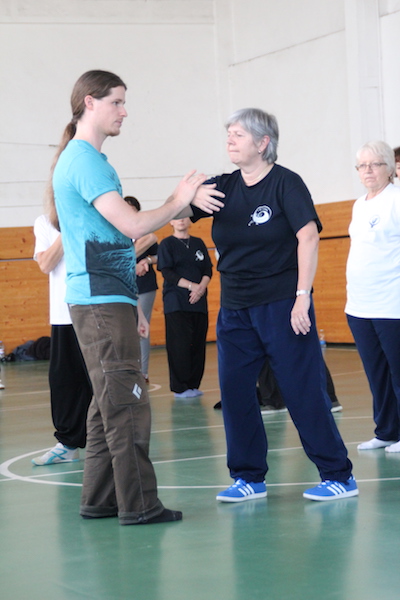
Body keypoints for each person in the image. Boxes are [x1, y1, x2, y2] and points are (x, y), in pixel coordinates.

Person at [47, 69, 222, 525]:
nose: (124, 112)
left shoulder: (90, 161)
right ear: (89, 102)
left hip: (109, 297)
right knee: (127, 401)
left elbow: (115, 240)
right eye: (117, 102)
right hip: (99, 299)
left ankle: (100, 498)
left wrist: (130, 304)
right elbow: (133, 226)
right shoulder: (84, 161)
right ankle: (140, 504)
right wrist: (179, 198)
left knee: (107, 402)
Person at [186, 108, 357, 502]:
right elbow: (178, 212)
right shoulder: (222, 186)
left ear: (263, 142)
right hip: (235, 309)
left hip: (282, 305)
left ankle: (338, 475)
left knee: (302, 391)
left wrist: (302, 297)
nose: (230, 140)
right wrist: (187, 197)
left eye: (238, 134)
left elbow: (308, 237)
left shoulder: (285, 183)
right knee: (235, 392)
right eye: (228, 133)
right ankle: (248, 477)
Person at [346, 141, 400, 453]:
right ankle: (387, 431)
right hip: (359, 304)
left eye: (374, 164)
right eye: (362, 165)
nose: (367, 170)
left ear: (389, 168)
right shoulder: (359, 205)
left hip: (391, 304)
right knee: (376, 372)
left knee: (398, 370)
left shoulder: (396, 200)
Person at [31, 215, 93, 466]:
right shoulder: (44, 222)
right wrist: (68, 228)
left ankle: (115, 441)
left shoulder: (97, 211)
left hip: (97, 310)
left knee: (101, 380)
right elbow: (45, 264)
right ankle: (68, 444)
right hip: (63, 314)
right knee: (64, 381)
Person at [157, 217, 212, 398]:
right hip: (176, 302)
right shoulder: (167, 244)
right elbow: (167, 272)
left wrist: (201, 288)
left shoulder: (198, 242)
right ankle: (180, 387)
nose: (181, 220)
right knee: (179, 345)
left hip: (199, 301)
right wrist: (191, 286)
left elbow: (207, 269)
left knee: (198, 343)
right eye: (176, 217)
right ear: (171, 222)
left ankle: (193, 384)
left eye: (184, 216)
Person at [124, 196, 158, 383]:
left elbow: (158, 255)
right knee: (126, 328)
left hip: (144, 285)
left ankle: (143, 372)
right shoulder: (118, 231)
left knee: (142, 326)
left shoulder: (145, 232)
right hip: (124, 284)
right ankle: (128, 370)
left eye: (132, 209)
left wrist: (147, 260)